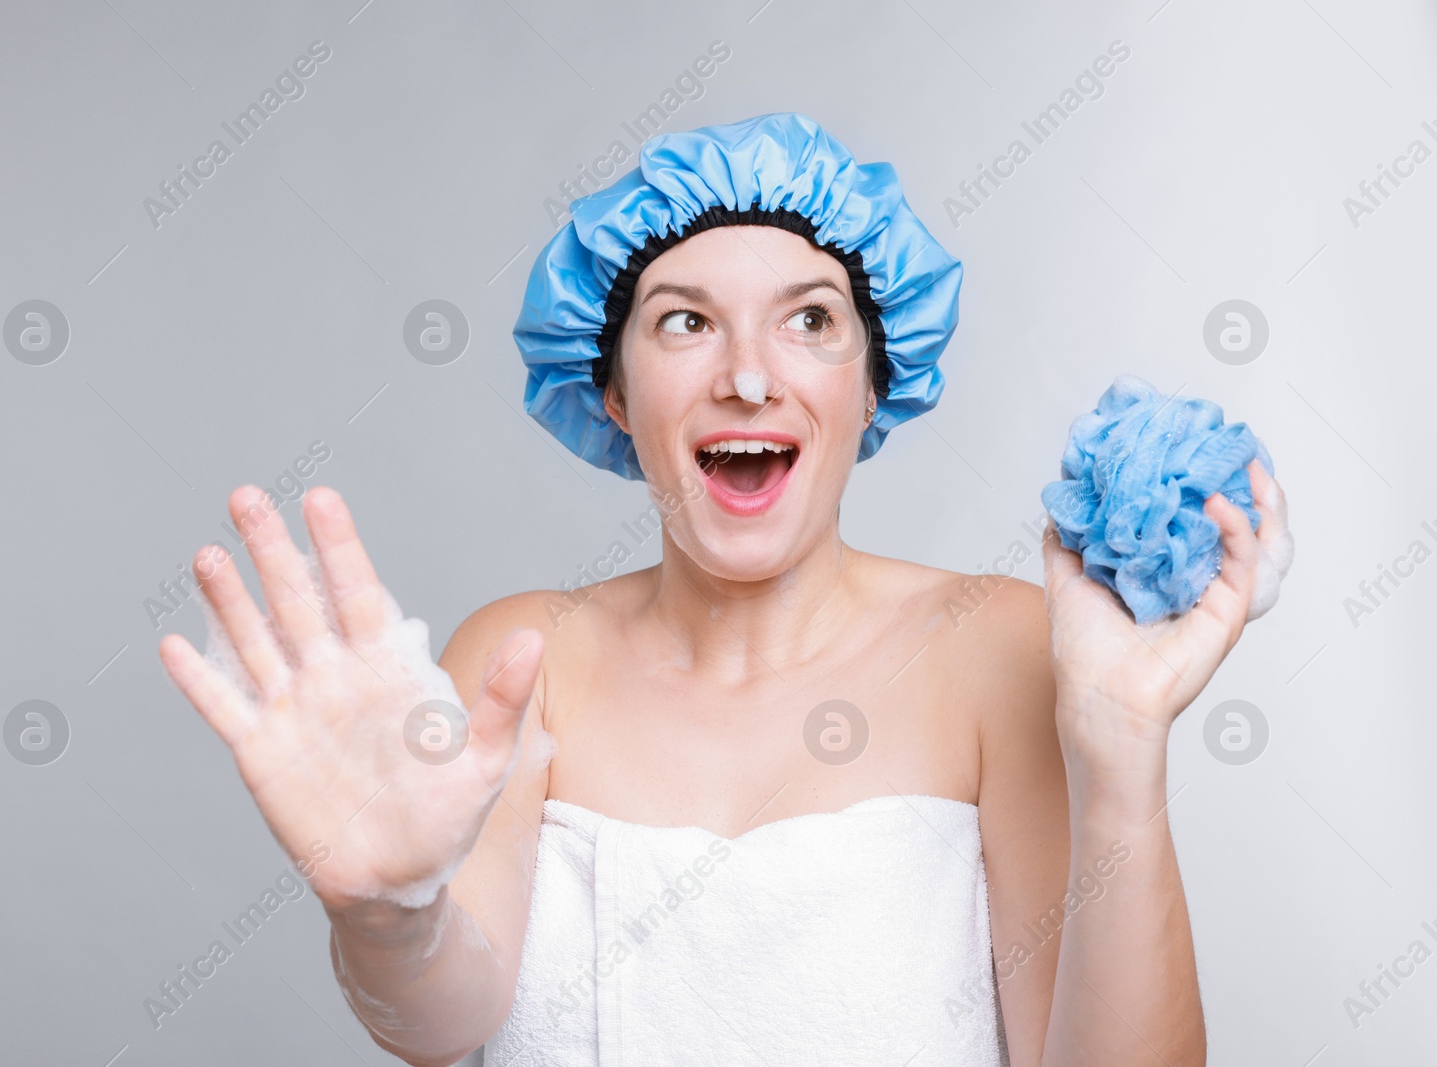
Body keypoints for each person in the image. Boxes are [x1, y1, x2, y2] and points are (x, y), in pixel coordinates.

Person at [157, 112, 1288, 1066]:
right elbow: (444, 1017)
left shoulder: (997, 645)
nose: (748, 374)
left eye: (809, 320)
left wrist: (1122, 754)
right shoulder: (522, 658)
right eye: (685, 322)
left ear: (870, 383)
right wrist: (384, 912)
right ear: (609, 391)